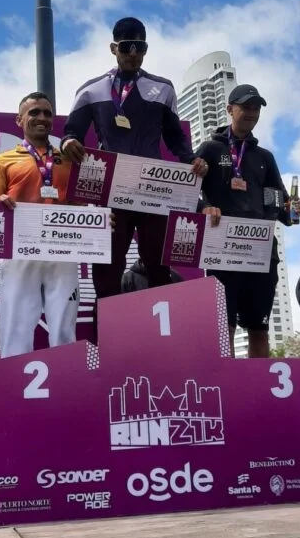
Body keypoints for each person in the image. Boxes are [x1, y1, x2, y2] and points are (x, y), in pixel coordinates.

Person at [61, 17, 208, 334]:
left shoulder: (163, 88)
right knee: (107, 269)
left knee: (158, 265)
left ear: (145, 49)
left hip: (153, 190)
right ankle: (105, 345)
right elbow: (72, 132)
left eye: (139, 47)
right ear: (113, 48)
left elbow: (176, 137)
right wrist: (69, 141)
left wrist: (192, 158)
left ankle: (162, 342)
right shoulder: (90, 89)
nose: (132, 53)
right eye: (126, 46)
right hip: (110, 190)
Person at [194, 84, 300, 358]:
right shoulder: (210, 148)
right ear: (230, 109)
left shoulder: (265, 156)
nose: (252, 112)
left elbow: (278, 200)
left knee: (259, 327)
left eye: (256, 108)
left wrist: (291, 210)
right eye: (246, 107)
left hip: (261, 250)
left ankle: (260, 383)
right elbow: (188, 189)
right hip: (223, 248)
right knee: (225, 326)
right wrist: (205, 207)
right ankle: (228, 381)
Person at [0, 92, 80, 358]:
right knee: (15, 326)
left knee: (64, 327)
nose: (42, 118)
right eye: (34, 112)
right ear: (19, 120)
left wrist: (96, 221)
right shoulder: (3, 160)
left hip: (62, 249)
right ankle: (14, 381)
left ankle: (68, 379)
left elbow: (79, 206)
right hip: (20, 250)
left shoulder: (69, 160)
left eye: (47, 113)